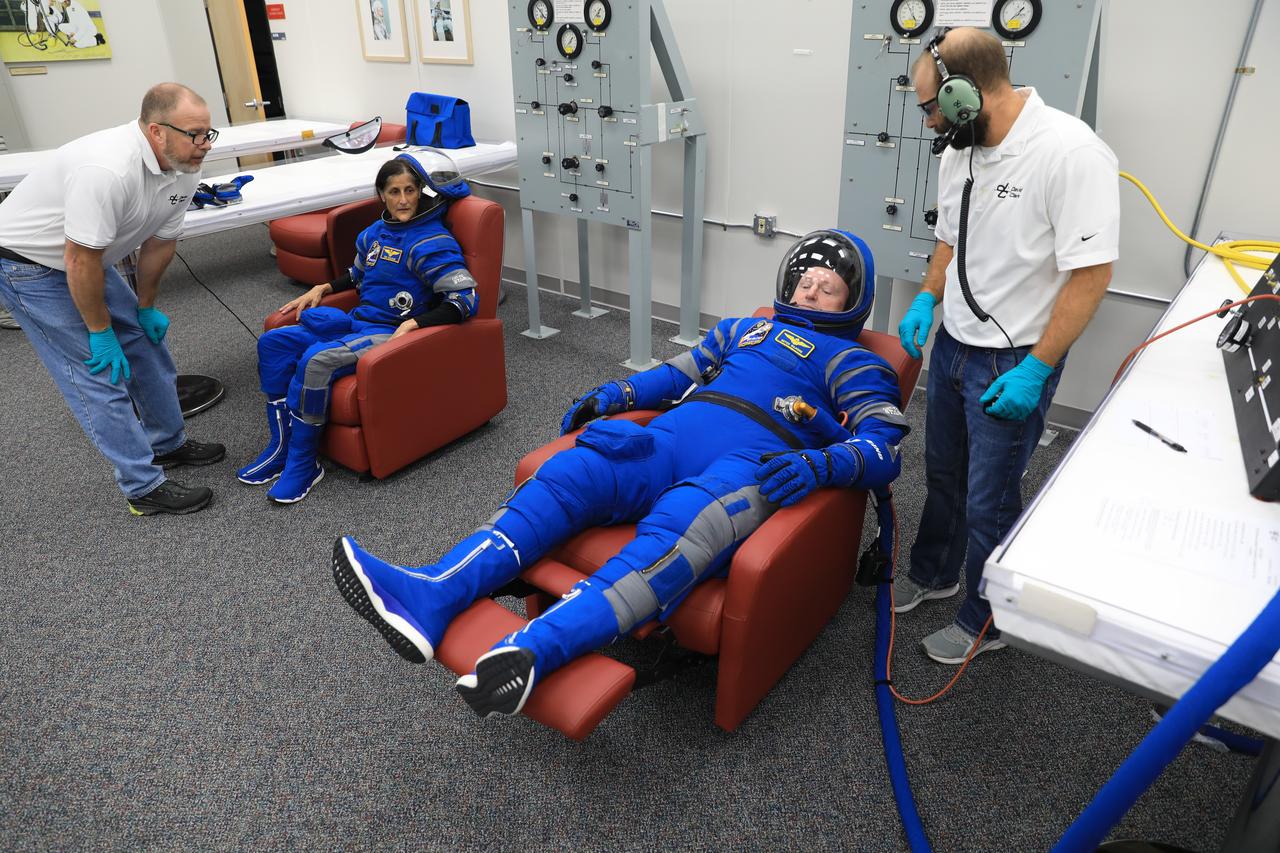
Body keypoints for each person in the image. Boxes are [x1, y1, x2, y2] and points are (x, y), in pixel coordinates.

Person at [331, 229, 911, 719]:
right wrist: (617, 394)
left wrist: (821, 462)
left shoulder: (857, 362)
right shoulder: (741, 329)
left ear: (851, 303)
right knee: (575, 471)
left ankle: (535, 652)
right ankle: (432, 592)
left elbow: (884, 450)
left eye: (827, 288)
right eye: (804, 282)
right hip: (672, 436)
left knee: (681, 529)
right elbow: (674, 373)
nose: (811, 291)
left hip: (751, 464)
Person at [895, 27, 1119, 664]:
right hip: (955, 346)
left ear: (966, 91)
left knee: (990, 496)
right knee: (942, 476)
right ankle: (936, 572)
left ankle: (985, 616)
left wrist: (1037, 369)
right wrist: (927, 298)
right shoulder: (959, 149)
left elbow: (1092, 273)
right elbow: (949, 237)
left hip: (1015, 360)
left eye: (930, 104)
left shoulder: (1071, 152)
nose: (928, 118)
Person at [0, 83, 226, 516]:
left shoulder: (185, 165)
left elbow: (160, 242)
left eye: (208, 133)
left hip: (88, 256)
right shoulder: (107, 169)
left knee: (144, 342)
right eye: (194, 134)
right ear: (156, 131)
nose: (204, 145)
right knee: (97, 369)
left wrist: (145, 306)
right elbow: (78, 260)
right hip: (27, 260)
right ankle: (141, 486)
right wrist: (100, 332)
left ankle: (167, 443)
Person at [236, 153, 478, 503]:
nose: (404, 200)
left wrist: (415, 323)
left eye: (410, 190)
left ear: (421, 191)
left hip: (390, 333)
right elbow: (360, 274)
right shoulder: (372, 234)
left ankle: (304, 465)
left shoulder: (431, 241)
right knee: (274, 342)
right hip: (358, 323)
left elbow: (464, 299)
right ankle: (281, 448)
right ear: (382, 194)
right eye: (394, 191)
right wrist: (324, 287)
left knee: (317, 360)